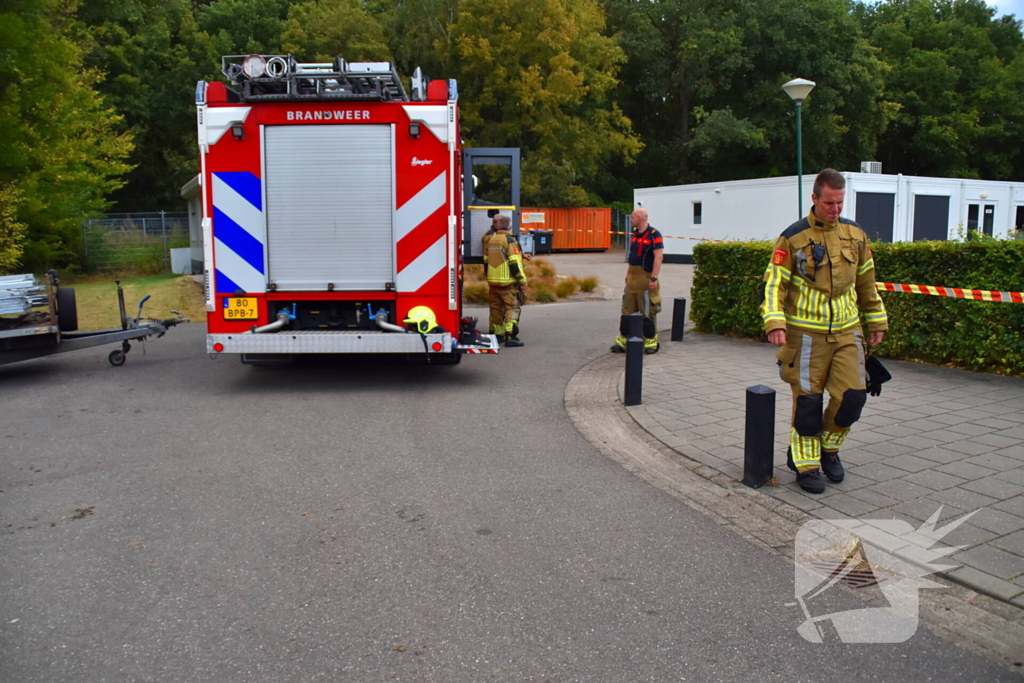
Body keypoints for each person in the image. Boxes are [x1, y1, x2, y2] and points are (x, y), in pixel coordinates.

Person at [761, 169, 888, 494]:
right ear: (815, 198)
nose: (835, 209)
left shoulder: (855, 234)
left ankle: (829, 449)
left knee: (853, 398)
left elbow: (866, 282)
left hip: (848, 333)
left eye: (840, 203)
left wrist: (877, 320)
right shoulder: (793, 238)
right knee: (807, 404)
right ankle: (806, 463)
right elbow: (775, 283)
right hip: (805, 336)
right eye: (829, 202)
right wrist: (775, 322)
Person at [611, 207, 663, 354]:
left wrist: (653, 278)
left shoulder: (654, 235)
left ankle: (651, 340)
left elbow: (658, 257)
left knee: (647, 311)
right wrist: (628, 273)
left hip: (645, 276)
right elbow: (632, 255)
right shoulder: (634, 234)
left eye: (633, 217)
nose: (630, 219)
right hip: (633, 276)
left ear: (640, 218)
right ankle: (624, 340)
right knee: (627, 310)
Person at [485, 214, 527, 347]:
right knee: (512, 307)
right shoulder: (509, 240)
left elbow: (486, 261)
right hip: (507, 282)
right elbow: (514, 263)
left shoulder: (491, 239)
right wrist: (522, 280)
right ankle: (511, 336)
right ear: (510, 226)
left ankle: (498, 335)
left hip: (493, 281)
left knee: (496, 308)